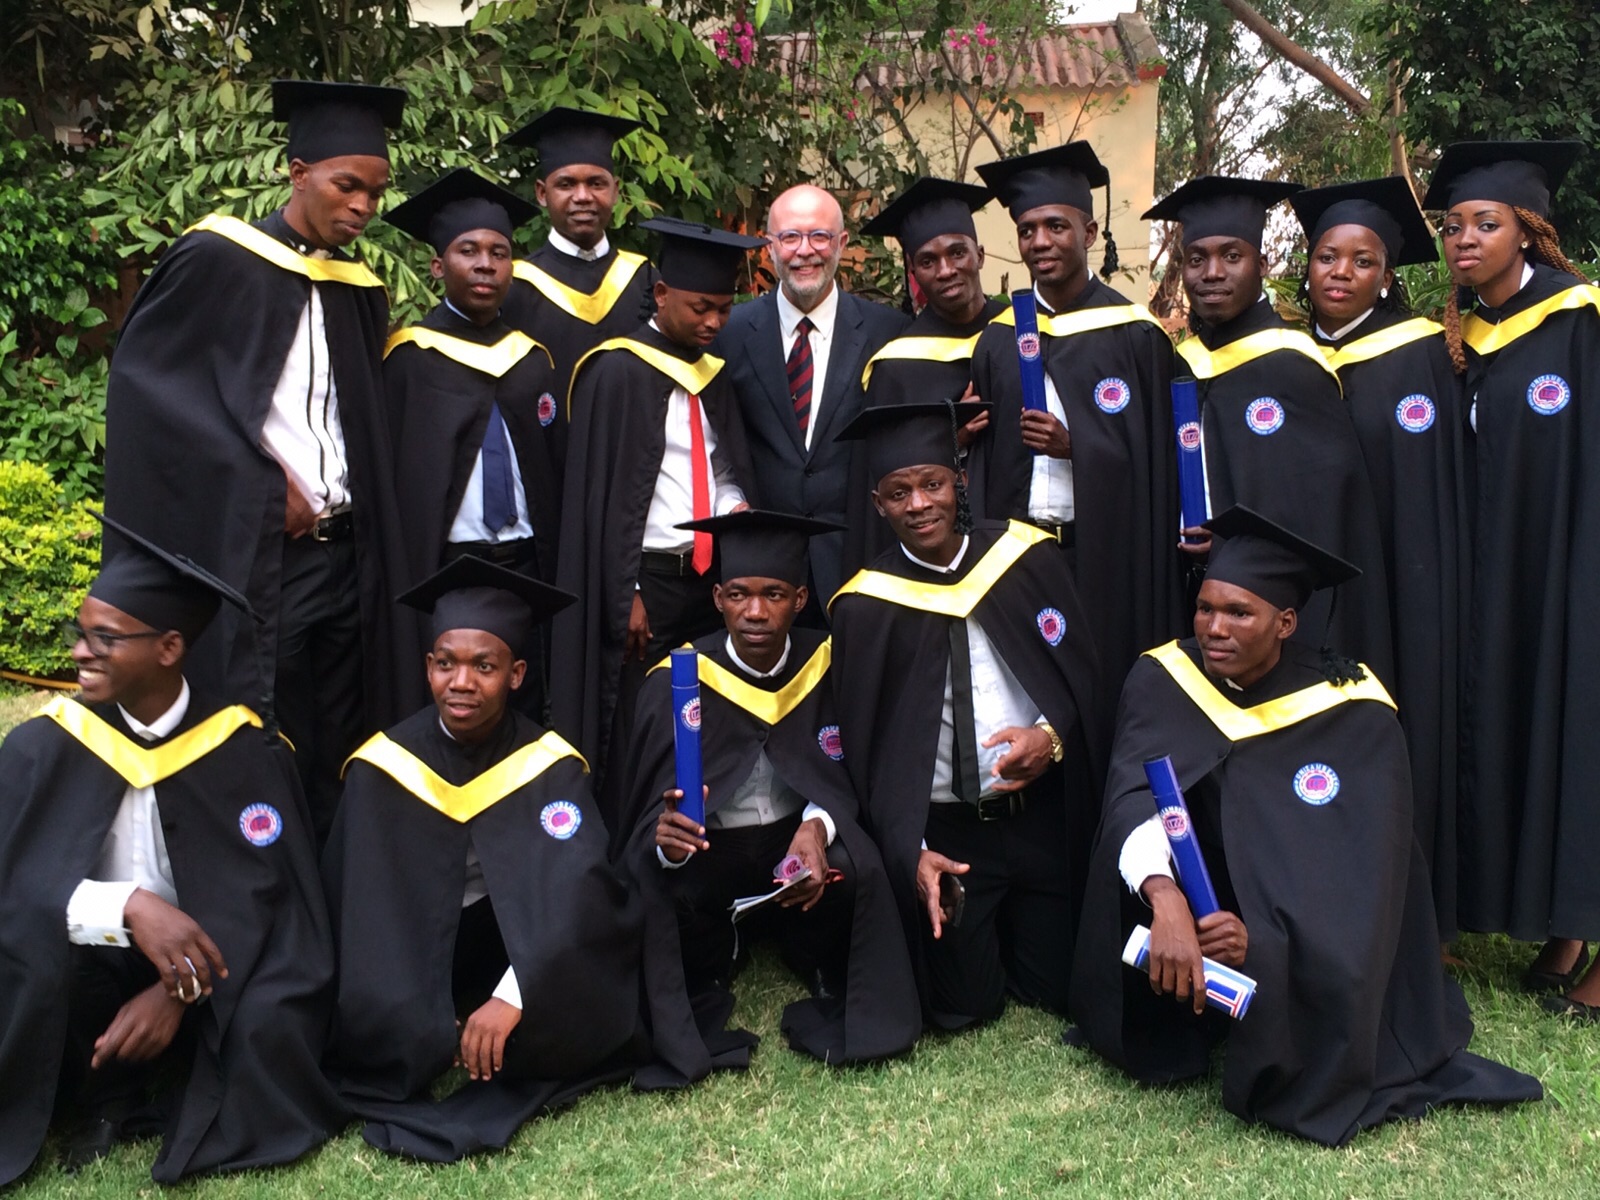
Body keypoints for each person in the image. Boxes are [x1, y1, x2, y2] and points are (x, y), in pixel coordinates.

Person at [1069, 506, 1543, 1146]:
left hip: (1293, 924)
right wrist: (1166, 897)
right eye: (1206, 607)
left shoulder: (1351, 709)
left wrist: (1261, 943)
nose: (1215, 628)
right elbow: (1134, 797)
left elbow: (1358, 875)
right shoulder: (1165, 678)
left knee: (1338, 978)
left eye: (1240, 613)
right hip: (1191, 910)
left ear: (1285, 623)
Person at [324, 555, 749, 1162]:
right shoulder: (381, 768)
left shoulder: (548, 766)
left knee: (578, 994)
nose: (462, 682)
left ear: (517, 674)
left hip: (511, 946)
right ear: (427, 667)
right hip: (418, 950)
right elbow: (363, 911)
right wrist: (415, 1013)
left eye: (484, 666)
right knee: (386, 1025)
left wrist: (513, 996)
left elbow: (580, 904)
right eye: (446, 664)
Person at [103, 79, 412, 844]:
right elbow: (149, 392)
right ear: (296, 171)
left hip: (348, 551)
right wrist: (257, 479)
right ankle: (252, 881)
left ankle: (331, 888)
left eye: (375, 192)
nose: (363, 207)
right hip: (263, 557)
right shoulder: (218, 259)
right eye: (347, 186)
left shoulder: (358, 289)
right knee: (258, 720)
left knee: (341, 729)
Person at [0, 514, 342, 1183]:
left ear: (168, 648)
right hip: (91, 958)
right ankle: (101, 1096)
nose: (78, 653)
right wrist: (127, 905)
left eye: (105, 639)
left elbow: (273, 898)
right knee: (38, 967)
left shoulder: (243, 748)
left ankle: (192, 1087)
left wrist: (179, 988)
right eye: (81, 633)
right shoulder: (44, 746)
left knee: (274, 1002)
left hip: (210, 958)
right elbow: (14, 882)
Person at [830, 402, 1106, 1030]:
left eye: (931, 484)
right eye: (899, 493)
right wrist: (914, 850)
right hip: (950, 837)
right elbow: (868, 752)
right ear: (879, 505)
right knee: (966, 1006)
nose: (920, 504)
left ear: (958, 481)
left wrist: (1052, 738)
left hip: (1037, 820)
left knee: (1057, 989)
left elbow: (1084, 677)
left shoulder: (1026, 559)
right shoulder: (865, 607)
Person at [620, 509, 920, 1064]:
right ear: (717, 600)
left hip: (791, 840)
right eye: (738, 594)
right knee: (655, 884)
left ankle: (816, 958)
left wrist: (816, 823)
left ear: (800, 599)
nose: (755, 612)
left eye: (774, 594)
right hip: (712, 851)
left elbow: (853, 772)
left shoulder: (827, 664)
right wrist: (665, 843)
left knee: (854, 866)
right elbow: (642, 813)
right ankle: (712, 963)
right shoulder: (677, 679)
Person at [1422, 141, 1600, 1015]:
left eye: (1485, 224)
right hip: (1496, 578)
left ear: (1527, 235)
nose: (1464, 239)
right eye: (1453, 225)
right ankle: (1561, 927)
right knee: (1527, 729)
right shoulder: (1466, 337)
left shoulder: (1581, 319)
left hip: (1572, 562)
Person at [1289, 176, 1469, 937]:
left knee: (1397, 734)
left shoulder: (1422, 355)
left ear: (1386, 275)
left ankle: (1411, 915)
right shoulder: (1281, 357)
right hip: (1301, 586)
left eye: (1362, 261)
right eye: (1329, 256)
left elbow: (1437, 485)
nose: (1340, 272)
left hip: (1397, 590)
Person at [1142, 175, 1395, 686]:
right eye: (1197, 259)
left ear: (1262, 265)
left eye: (1231, 256)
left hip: (1274, 628)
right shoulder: (1179, 364)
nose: (1212, 273)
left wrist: (1232, 547)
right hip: (1186, 608)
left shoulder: (1293, 367)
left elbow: (1326, 512)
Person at [551, 217, 759, 833]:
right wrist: (628, 592)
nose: (714, 323)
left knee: (703, 719)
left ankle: (702, 833)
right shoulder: (615, 372)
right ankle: (635, 842)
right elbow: (602, 502)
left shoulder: (712, 376)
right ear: (662, 295)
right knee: (639, 721)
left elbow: (720, 468)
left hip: (709, 580)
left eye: (724, 310)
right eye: (701, 308)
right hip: (645, 585)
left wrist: (735, 508)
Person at [969, 142, 1185, 688]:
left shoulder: (1136, 335)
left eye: (1056, 226)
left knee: (1103, 683)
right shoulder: (998, 340)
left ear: (1088, 234)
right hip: (1023, 552)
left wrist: (1078, 447)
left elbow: (1158, 463)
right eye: (1027, 229)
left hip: (1106, 551)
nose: (1040, 241)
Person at [382, 168, 561, 716]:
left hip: (526, 565)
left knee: (525, 698)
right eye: (468, 250)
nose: (486, 264)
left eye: (500, 252)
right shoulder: (409, 360)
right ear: (438, 266)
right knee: (456, 703)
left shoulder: (532, 361)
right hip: (446, 568)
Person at [714, 184, 908, 616]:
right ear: (769, 246)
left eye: (819, 236)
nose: (805, 251)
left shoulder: (889, 333)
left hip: (860, 562)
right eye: (790, 237)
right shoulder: (729, 335)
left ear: (841, 243)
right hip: (765, 574)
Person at [848, 176, 1002, 571]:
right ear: (914, 271)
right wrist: (950, 439)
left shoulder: (1026, 335)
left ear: (980, 255)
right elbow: (889, 484)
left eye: (957, 253)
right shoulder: (896, 366)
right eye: (928, 261)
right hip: (942, 554)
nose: (946, 270)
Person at [499, 107, 654, 412]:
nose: (583, 196)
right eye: (566, 184)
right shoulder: (514, 287)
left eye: (596, 183)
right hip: (547, 457)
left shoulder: (645, 280)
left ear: (616, 192)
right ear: (542, 193)